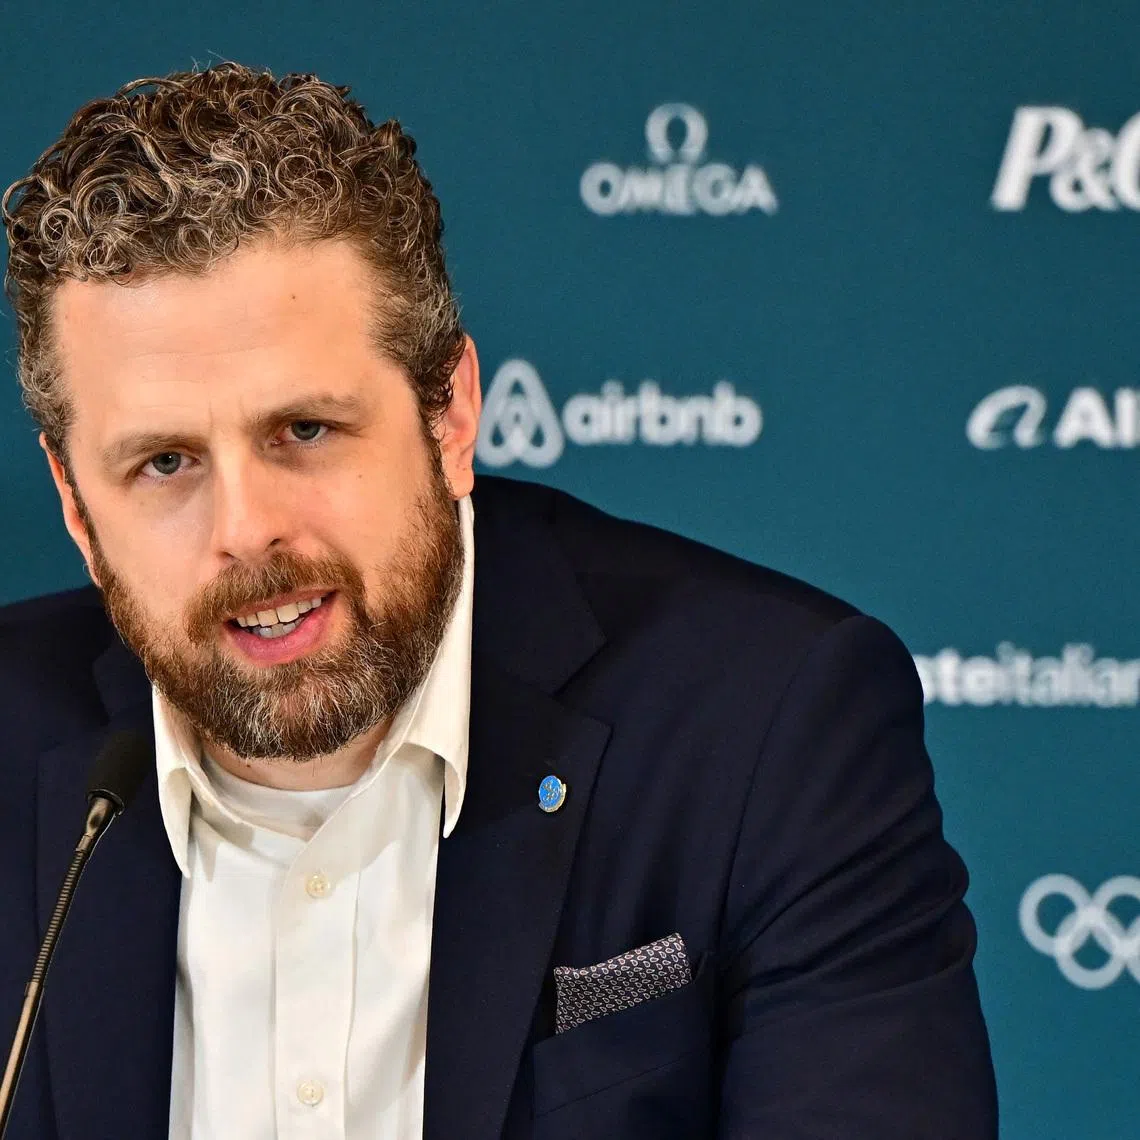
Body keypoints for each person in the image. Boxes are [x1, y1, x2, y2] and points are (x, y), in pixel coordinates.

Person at [0, 63, 997, 1139]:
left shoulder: (768, 725)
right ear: (73, 501)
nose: (244, 529)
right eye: (163, 463)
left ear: (451, 415)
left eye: (304, 431)